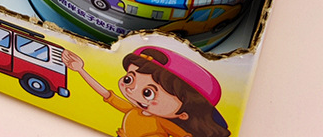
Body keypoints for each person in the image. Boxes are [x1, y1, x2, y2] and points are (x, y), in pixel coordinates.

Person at [62, 45, 230, 137]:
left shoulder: (162, 123)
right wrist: (80, 70)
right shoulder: (134, 110)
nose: (130, 89)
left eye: (148, 93)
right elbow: (105, 93)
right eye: (129, 79)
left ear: (183, 115)